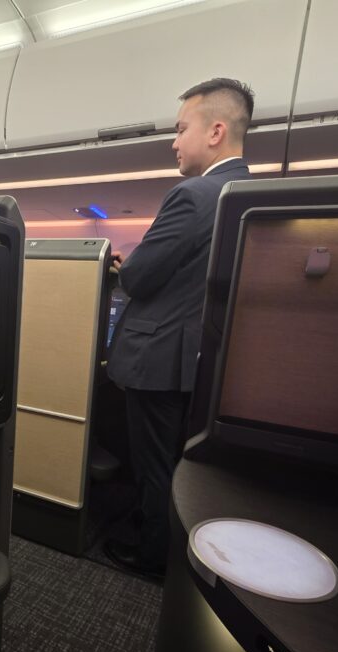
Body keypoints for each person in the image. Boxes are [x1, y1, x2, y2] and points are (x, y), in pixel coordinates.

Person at [104, 78, 255, 578]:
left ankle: (152, 557)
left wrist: (126, 266)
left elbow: (140, 276)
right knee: (177, 463)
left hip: (158, 360)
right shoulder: (245, 192)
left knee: (154, 466)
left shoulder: (194, 194)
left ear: (215, 132)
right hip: (194, 361)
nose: (174, 142)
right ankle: (166, 543)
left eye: (180, 129)